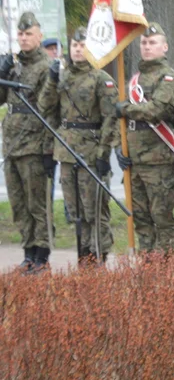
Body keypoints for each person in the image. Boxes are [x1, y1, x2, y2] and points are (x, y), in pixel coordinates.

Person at [40, 27, 117, 264]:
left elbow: (110, 119)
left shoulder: (101, 78)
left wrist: (104, 154)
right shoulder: (61, 77)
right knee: (76, 214)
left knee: (94, 210)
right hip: (66, 153)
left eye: (82, 46)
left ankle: (99, 256)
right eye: (74, 45)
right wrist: (52, 80)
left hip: (91, 154)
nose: (78, 50)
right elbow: (45, 108)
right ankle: (83, 258)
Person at [114, 23, 174, 253]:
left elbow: (156, 111)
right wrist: (118, 147)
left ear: (164, 47)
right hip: (134, 161)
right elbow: (119, 121)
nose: (147, 46)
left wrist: (126, 109)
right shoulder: (133, 80)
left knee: (162, 219)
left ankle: (167, 274)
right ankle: (147, 267)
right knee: (140, 219)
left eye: (152, 42)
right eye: (143, 42)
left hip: (157, 161)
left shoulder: (170, 78)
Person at [0, 12, 54, 272]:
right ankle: (28, 252)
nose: (23, 38)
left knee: (36, 205)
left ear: (39, 36)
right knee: (19, 204)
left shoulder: (46, 67)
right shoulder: (14, 64)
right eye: (20, 34)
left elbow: (49, 111)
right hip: (11, 145)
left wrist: (47, 150)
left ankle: (42, 254)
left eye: (28, 33)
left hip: (33, 144)